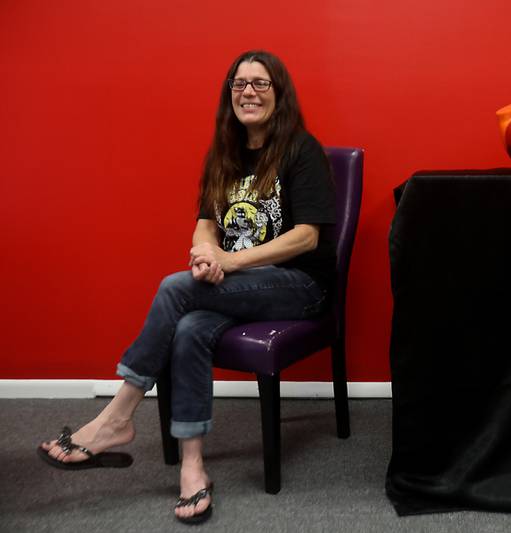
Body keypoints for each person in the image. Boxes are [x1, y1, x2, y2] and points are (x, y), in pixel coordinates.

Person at [38, 50, 336, 524]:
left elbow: (307, 236)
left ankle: (117, 418)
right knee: (190, 326)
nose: (249, 93)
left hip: (299, 286)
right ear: (229, 95)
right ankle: (193, 469)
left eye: (261, 84)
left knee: (174, 289)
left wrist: (227, 259)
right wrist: (205, 256)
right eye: (239, 85)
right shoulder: (225, 154)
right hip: (236, 282)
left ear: (279, 96)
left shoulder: (302, 150)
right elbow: (204, 223)